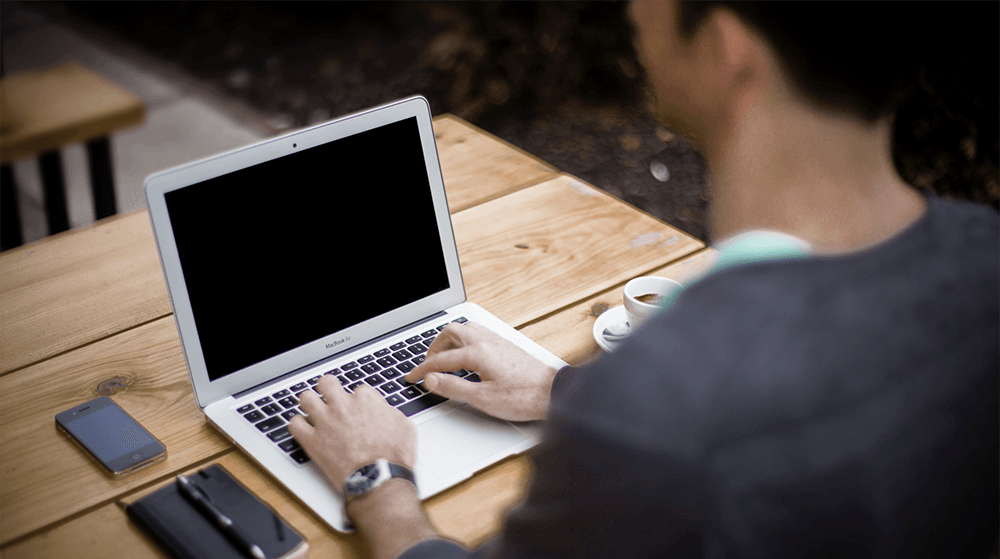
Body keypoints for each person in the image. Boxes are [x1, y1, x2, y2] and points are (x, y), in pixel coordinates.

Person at [288, 1, 1000, 557]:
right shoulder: (984, 261)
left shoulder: (657, 411)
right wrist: (560, 388)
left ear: (727, 49)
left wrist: (378, 479)